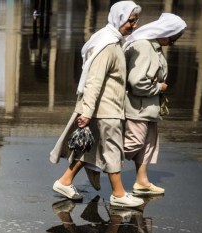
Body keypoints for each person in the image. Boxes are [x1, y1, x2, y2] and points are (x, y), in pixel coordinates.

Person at [50, 1, 143, 208]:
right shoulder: (108, 46)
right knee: (112, 150)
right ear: (119, 19)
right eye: (131, 20)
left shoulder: (110, 40)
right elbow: (95, 80)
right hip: (105, 109)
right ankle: (118, 194)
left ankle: (65, 181)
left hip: (103, 108)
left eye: (136, 20)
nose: (134, 25)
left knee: (90, 149)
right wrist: (87, 112)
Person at [123, 13, 187, 196]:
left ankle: (142, 181)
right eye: (174, 37)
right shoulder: (144, 47)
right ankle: (96, 161)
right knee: (134, 143)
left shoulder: (155, 47)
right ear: (165, 32)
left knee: (148, 144)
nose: (174, 42)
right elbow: (137, 82)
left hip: (148, 106)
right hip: (138, 106)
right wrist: (159, 87)